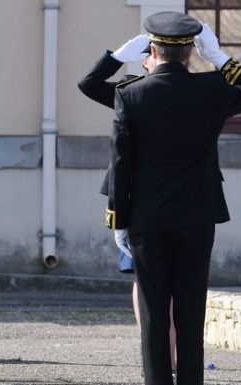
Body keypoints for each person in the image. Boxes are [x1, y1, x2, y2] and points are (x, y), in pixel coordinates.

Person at [105, 12, 241, 385]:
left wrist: (118, 218)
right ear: (190, 50)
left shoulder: (130, 94)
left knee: (153, 317)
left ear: (153, 49)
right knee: (191, 315)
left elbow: (120, 163)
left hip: (148, 218)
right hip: (197, 216)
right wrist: (220, 57)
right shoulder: (212, 89)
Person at [78, 37, 178, 375]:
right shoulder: (132, 90)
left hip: (151, 198)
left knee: (155, 279)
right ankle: (158, 347)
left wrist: (119, 57)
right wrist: (116, 57)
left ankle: (166, 351)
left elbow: (90, 83)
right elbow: (88, 85)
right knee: (148, 278)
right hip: (143, 197)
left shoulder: (183, 90)